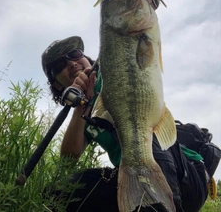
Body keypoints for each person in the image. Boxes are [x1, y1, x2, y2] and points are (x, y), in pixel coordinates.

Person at [41, 36, 216, 212]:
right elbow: (69, 157)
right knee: (59, 192)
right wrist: (80, 105)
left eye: (74, 54)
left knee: (140, 132)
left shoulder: (112, 72)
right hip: (135, 177)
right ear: (57, 85)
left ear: (86, 58)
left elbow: (135, 42)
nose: (71, 63)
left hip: (187, 177)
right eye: (60, 65)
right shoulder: (82, 116)